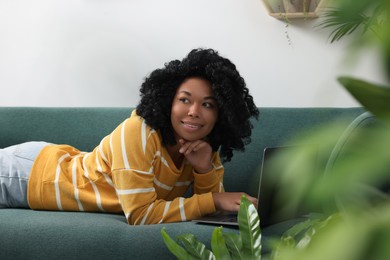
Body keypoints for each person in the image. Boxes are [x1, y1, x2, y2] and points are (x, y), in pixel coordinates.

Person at [0, 48, 259, 225]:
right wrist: (213, 198)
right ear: (168, 100)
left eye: (208, 105)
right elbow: (141, 215)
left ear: (220, 113)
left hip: (42, 170)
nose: (193, 112)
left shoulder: (203, 145)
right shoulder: (139, 131)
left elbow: (212, 214)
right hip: (29, 175)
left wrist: (203, 171)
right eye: (184, 100)